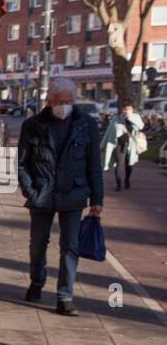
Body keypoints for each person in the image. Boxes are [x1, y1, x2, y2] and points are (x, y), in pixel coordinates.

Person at [16, 76, 103, 316]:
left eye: (68, 101)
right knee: (38, 245)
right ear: (49, 101)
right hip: (42, 194)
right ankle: (37, 281)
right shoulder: (33, 125)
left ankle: (65, 296)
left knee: (70, 247)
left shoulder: (86, 124)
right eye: (59, 101)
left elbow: (94, 164)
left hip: (73, 194)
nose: (64, 105)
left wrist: (97, 199)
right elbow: (22, 164)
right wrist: (30, 190)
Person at [101, 101, 145, 191]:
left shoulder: (136, 117)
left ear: (132, 109)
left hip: (131, 145)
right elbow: (109, 132)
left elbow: (141, 127)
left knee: (129, 164)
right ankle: (119, 184)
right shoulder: (116, 119)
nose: (126, 111)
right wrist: (102, 144)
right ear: (122, 110)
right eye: (125, 109)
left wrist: (130, 118)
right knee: (119, 164)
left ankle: (127, 180)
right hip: (118, 144)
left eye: (129, 109)